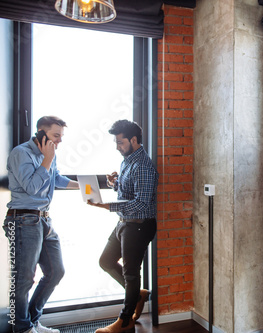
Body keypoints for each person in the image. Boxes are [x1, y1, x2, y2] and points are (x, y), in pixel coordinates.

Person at [3, 116, 79, 333]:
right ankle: (22, 328)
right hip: (23, 220)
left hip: (43, 219)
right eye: (56, 136)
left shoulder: (50, 156)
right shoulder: (21, 153)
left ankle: (32, 322)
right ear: (41, 133)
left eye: (61, 137)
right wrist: (47, 158)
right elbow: (32, 188)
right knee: (25, 277)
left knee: (56, 272)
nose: (60, 141)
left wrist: (84, 186)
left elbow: (55, 178)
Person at [87, 120, 158, 333]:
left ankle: (125, 321)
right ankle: (138, 295)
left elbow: (141, 203)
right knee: (106, 261)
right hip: (124, 223)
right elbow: (128, 191)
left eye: (120, 142)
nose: (117, 146)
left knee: (131, 274)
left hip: (138, 225)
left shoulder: (143, 165)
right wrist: (114, 184)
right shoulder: (127, 160)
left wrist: (104, 205)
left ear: (133, 140)